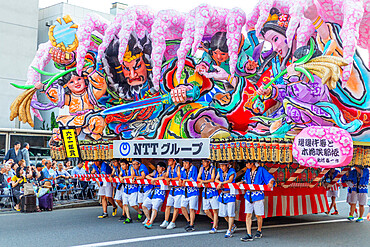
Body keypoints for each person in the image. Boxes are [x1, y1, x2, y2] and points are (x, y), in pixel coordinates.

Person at [238, 162, 275, 241]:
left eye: (247, 163)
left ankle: (259, 230)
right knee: (248, 215)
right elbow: (245, 179)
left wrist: (270, 183)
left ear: (252, 163)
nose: (246, 165)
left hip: (258, 194)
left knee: (258, 215)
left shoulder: (261, 170)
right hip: (248, 195)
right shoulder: (248, 171)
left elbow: (270, 178)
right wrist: (242, 182)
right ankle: (249, 234)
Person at [142, 162, 167, 229]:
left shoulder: (165, 173)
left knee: (154, 208)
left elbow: (163, 177)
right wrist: (152, 178)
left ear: (163, 168)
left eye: (159, 167)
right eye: (157, 167)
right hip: (153, 192)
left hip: (160, 192)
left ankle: (150, 222)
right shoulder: (155, 172)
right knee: (144, 205)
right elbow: (147, 176)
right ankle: (148, 219)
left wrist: (154, 179)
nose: (158, 169)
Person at [215, 162, 237, 238]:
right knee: (223, 214)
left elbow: (230, 180)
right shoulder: (220, 171)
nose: (221, 167)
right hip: (223, 194)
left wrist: (221, 183)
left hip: (230, 194)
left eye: (223, 166)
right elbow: (216, 179)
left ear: (227, 165)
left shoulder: (232, 171)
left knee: (231, 213)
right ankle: (233, 225)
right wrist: (220, 183)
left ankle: (229, 230)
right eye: (220, 165)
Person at [197, 159, 219, 233]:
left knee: (215, 210)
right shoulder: (201, 168)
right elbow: (198, 178)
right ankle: (214, 220)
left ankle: (214, 226)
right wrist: (203, 181)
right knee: (206, 210)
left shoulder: (212, 168)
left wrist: (202, 181)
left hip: (213, 191)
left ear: (208, 162)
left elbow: (212, 179)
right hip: (205, 191)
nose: (203, 163)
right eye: (202, 162)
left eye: (204, 162)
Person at [160, 158, 181, 229]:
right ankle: (166, 221)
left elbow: (179, 177)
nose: (168, 161)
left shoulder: (178, 167)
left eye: (170, 160)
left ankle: (173, 222)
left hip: (179, 189)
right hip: (172, 189)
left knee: (176, 207)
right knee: (168, 205)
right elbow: (166, 175)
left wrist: (170, 179)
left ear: (174, 161)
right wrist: (166, 178)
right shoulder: (169, 167)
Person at [180, 159, 199, 232]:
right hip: (185, 191)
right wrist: (180, 180)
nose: (184, 164)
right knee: (182, 207)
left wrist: (185, 180)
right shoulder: (182, 169)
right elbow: (181, 177)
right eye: (184, 163)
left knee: (192, 209)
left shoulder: (193, 168)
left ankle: (191, 224)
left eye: (186, 163)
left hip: (193, 191)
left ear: (190, 164)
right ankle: (188, 220)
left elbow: (194, 179)